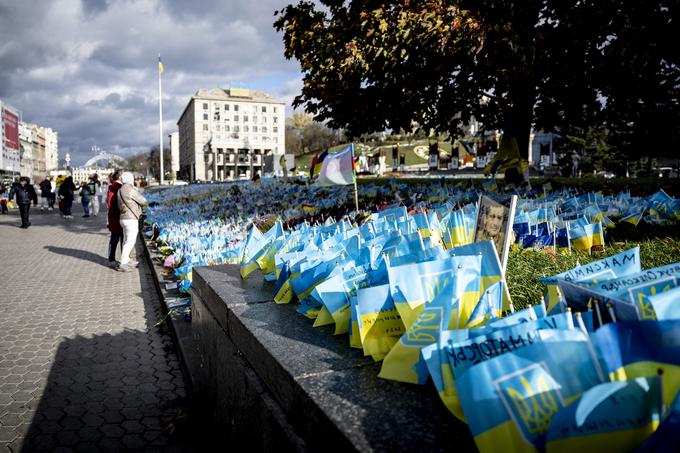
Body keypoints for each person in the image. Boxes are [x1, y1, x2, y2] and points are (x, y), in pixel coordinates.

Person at [117, 171, 147, 272]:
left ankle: (127, 260)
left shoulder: (120, 190)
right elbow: (143, 201)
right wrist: (138, 191)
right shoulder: (129, 189)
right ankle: (123, 262)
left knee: (126, 240)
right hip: (131, 218)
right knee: (130, 241)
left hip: (123, 217)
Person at [107, 171, 124, 267]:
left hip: (114, 217)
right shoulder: (117, 187)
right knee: (118, 238)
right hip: (117, 216)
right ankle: (115, 258)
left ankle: (113, 258)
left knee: (116, 238)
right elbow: (112, 204)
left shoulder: (113, 186)